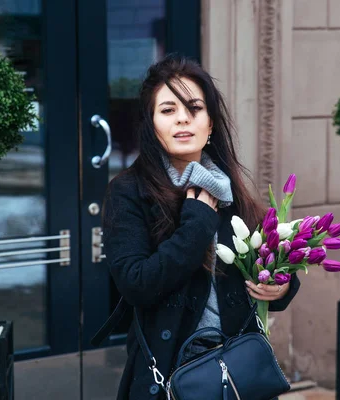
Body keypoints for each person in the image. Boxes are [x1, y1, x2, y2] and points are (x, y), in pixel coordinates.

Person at [102, 55, 300, 400]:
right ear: (151, 125)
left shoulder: (228, 187)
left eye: (194, 108)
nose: (182, 118)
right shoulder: (129, 192)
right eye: (167, 110)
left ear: (210, 125)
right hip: (169, 374)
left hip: (236, 373)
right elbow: (136, 284)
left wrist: (281, 287)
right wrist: (197, 222)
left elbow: (267, 261)